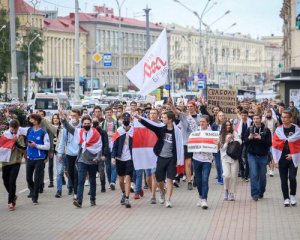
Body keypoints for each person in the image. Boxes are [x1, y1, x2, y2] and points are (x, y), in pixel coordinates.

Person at [135, 111, 184, 208]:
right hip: (161, 157)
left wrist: (178, 160)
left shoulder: (177, 131)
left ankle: (168, 200)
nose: (162, 119)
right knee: (159, 180)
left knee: (170, 179)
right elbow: (150, 125)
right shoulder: (161, 129)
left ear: (170, 119)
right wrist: (139, 118)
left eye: (164, 118)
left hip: (171, 159)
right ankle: (162, 191)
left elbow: (179, 146)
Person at [59, 111, 102, 208]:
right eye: (85, 123)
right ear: (82, 124)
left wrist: (97, 158)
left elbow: (99, 147)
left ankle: (92, 199)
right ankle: (79, 200)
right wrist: (63, 118)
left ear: (91, 124)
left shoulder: (96, 133)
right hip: (82, 160)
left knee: (92, 180)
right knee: (80, 181)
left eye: (88, 123)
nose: (86, 125)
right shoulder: (79, 132)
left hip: (92, 160)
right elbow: (69, 128)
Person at [272, 111, 300, 207]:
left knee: (292, 177)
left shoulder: (297, 129)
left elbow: (298, 145)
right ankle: (286, 198)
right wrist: (275, 160)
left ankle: (292, 195)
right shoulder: (278, 130)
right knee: (283, 180)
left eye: (285, 117)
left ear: (290, 118)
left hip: (293, 157)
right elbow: (274, 145)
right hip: (282, 158)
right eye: (282, 117)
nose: (283, 119)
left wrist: (293, 155)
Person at [171, 100, 201, 190]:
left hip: (197, 143)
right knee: (188, 163)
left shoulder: (200, 117)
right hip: (186, 143)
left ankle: (195, 177)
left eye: (191, 106)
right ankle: (189, 181)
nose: (189, 108)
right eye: (188, 106)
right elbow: (175, 111)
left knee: (197, 163)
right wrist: (171, 105)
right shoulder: (184, 116)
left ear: (195, 107)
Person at [24, 114, 50, 205]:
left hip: (39, 159)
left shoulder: (43, 133)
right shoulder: (29, 130)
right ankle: (32, 190)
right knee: (28, 178)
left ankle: (35, 197)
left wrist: (36, 145)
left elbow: (47, 146)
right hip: (30, 158)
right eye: (30, 119)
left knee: (37, 178)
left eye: (32, 120)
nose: (30, 121)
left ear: (37, 121)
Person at [245, 114, 272, 201]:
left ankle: (261, 192)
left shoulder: (266, 130)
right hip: (252, 155)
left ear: (261, 119)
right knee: (254, 174)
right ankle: (254, 194)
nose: (255, 120)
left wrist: (261, 138)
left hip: (263, 156)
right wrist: (249, 138)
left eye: (257, 118)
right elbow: (244, 143)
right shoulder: (249, 129)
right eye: (254, 119)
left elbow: (269, 144)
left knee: (262, 176)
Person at [0, 120, 26, 210]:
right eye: (12, 129)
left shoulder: (20, 136)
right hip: (5, 161)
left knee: (12, 181)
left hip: (16, 161)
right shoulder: (4, 135)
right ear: (9, 127)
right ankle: (13, 195)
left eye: (15, 130)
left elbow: (23, 148)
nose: (14, 131)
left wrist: (16, 142)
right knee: (5, 180)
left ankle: (11, 202)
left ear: (18, 128)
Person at [111, 112, 134, 208]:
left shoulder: (134, 130)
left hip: (130, 157)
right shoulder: (119, 131)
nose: (126, 121)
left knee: (128, 177)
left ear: (130, 120)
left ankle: (127, 198)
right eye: (124, 119)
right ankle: (124, 193)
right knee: (121, 180)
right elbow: (114, 145)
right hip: (120, 157)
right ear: (121, 120)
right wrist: (113, 157)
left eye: (127, 119)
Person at [57, 109, 81, 199]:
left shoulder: (82, 126)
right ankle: (75, 188)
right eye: (72, 115)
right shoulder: (66, 128)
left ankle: (76, 192)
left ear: (79, 116)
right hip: (69, 153)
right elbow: (62, 141)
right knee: (70, 173)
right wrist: (60, 153)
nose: (73, 117)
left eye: (75, 115)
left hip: (79, 153)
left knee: (76, 173)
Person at [192, 115, 215, 209]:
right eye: (200, 121)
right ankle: (200, 196)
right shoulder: (196, 131)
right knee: (198, 180)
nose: (201, 123)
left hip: (207, 160)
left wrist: (216, 144)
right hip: (196, 158)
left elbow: (215, 147)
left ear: (207, 122)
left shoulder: (212, 133)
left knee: (205, 179)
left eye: (203, 122)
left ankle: (204, 199)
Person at [220, 120, 241, 201]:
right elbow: (221, 149)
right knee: (226, 175)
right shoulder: (221, 135)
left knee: (233, 176)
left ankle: (231, 193)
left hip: (234, 157)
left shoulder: (234, 133)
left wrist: (234, 138)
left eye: (229, 125)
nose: (228, 127)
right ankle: (226, 190)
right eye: (226, 125)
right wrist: (226, 142)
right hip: (225, 158)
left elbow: (240, 141)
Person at [101, 107, 119, 191]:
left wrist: (113, 134)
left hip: (114, 146)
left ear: (112, 113)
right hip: (106, 146)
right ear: (105, 113)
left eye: (110, 112)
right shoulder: (102, 123)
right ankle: (109, 182)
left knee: (114, 164)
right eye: (107, 112)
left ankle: (113, 182)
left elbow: (119, 134)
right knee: (107, 166)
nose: (109, 113)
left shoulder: (116, 123)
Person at [92, 116, 109, 192]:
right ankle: (92, 188)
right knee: (91, 172)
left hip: (100, 153)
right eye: (93, 122)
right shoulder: (90, 131)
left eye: (96, 122)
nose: (95, 124)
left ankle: (103, 186)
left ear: (99, 123)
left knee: (101, 170)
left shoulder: (103, 132)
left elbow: (106, 143)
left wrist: (104, 154)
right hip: (92, 154)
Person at [235, 109, 252, 181]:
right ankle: (242, 172)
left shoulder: (251, 122)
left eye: (245, 115)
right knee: (239, 158)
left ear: (247, 115)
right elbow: (236, 132)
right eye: (242, 115)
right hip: (240, 142)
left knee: (247, 159)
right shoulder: (239, 123)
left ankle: (247, 174)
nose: (243, 117)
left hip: (248, 142)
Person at [211, 111, 226, 185]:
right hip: (216, 146)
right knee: (218, 163)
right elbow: (212, 134)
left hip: (225, 146)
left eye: (223, 115)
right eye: (220, 115)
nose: (222, 117)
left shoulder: (227, 124)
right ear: (217, 117)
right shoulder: (214, 125)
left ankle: (223, 176)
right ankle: (219, 176)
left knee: (224, 162)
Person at [262, 109, 277, 177]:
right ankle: (264, 170)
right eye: (266, 113)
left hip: (273, 141)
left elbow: (278, 131)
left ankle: (271, 170)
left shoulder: (275, 121)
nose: (268, 115)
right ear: (265, 114)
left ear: (271, 114)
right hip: (265, 141)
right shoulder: (263, 121)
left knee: (272, 156)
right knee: (264, 155)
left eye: (269, 113)